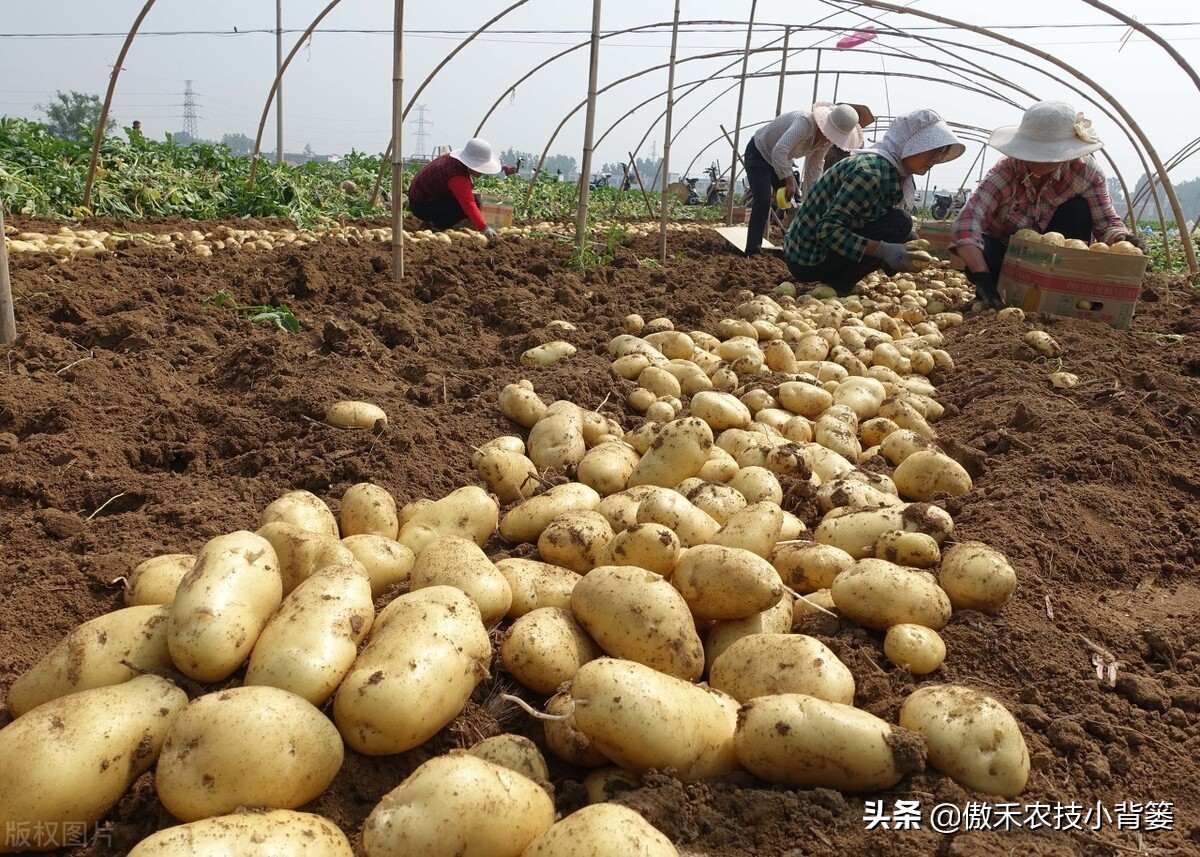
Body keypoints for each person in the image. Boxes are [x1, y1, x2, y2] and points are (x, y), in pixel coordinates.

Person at [950, 100, 1145, 309]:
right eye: (1034, 152)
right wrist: (982, 277)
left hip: (1058, 258)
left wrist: (1122, 239)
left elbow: (1105, 222)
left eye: (1049, 154)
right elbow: (967, 221)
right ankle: (996, 294)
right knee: (985, 252)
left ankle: (1067, 294)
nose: (1040, 161)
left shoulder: (1086, 173)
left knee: (1078, 209)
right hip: (1007, 258)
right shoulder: (1006, 172)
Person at [782, 109, 965, 294]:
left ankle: (838, 278)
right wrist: (884, 251)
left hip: (815, 251)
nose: (935, 159)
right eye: (932, 150)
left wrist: (906, 243)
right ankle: (838, 283)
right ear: (909, 144)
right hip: (806, 258)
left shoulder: (894, 174)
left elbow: (871, 218)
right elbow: (828, 231)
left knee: (903, 229)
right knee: (900, 222)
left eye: (940, 152)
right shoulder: (869, 173)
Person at [742, 102, 866, 257]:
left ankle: (794, 248)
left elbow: (814, 168)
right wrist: (788, 178)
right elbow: (779, 151)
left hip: (780, 161)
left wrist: (812, 198)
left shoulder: (825, 141)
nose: (831, 140)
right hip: (760, 152)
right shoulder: (804, 124)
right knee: (763, 199)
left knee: (796, 202)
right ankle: (752, 250)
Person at [407, 137, 503, 242]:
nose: (483, 171)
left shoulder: (454, 162)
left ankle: (433, 221)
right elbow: (469, 205)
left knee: (473, 200)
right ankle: (434, 226)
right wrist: (485, 228)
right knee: (463, 207)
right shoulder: (457, 176)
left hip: (424, 198)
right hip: (421, 205)